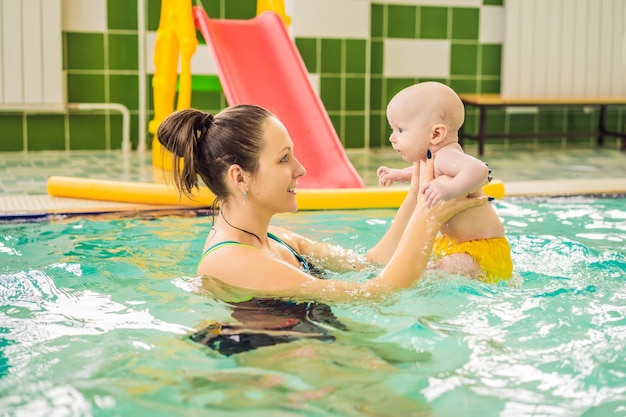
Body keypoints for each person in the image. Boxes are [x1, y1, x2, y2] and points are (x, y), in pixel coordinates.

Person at [156, 103, 488, 356]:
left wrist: (417, 195)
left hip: (316, 340)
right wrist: (427, 219)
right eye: (284, 159)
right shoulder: (231, 260)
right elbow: (379, 294)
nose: (300, 169)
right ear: (239, 177)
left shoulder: (277, 239)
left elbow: (370, 265)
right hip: (282, 359)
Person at [376, 81, 513, 282]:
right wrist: (398, 174)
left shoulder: (447, 155)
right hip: (457, 245)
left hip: (481, 248)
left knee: (430, 275)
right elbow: (424, 174)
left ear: (436, 134)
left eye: (400, 130)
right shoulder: (433, 159)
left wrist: (449, 188)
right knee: (420, 267)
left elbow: (479, 170)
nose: (392, 138)